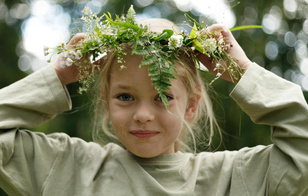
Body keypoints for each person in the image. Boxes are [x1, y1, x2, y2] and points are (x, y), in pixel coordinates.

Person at [0, 14, 307, 196]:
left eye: (163, 97)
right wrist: (58, 75)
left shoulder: (230, 177)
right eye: (125, 97)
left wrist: (244, 72)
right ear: (105, 101)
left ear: (191, 106)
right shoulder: (68, 166)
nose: (143, 115)